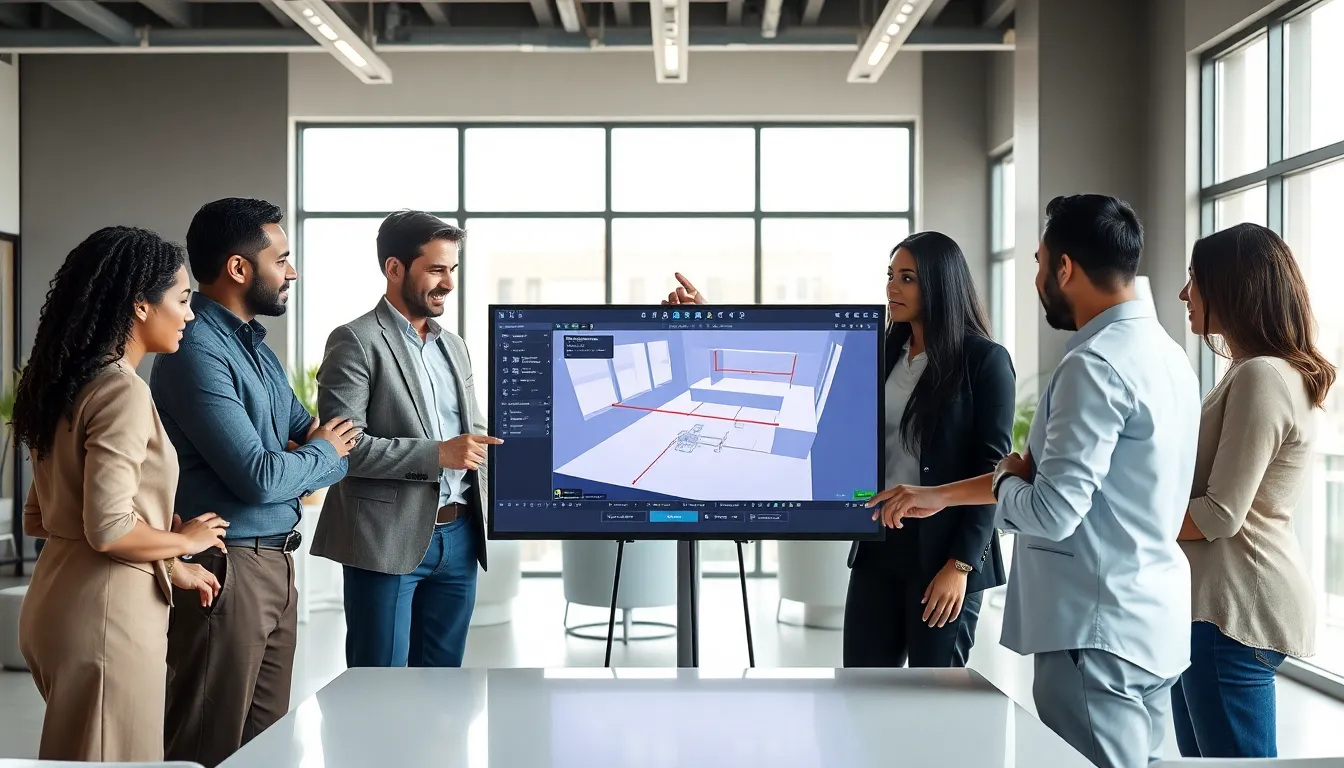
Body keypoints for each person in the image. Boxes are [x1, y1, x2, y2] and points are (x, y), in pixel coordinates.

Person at [872, 194, 1201, 768]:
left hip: (1093, 630)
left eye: (1039, 263)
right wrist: (942, 494)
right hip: (1150, 622)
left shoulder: (1094, 366)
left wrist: (1005, 478)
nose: (1037, 279)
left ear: (1064, 268)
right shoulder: (1167, 354)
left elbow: (1051, 510)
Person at [660, 231, 1014, 669]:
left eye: (907, 278)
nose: (892, 288)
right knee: (861, 683)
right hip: (880, 543)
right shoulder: (883, 350)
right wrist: (710, 320)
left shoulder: (985, 361)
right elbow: (790, 365)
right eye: (890, 276)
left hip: (946, 553)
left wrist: (960, 566)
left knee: (933, 691)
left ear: (941, 284)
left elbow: (993, 473)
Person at [151, 198, 359, 767]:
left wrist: (314, 454)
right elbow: (263, 478)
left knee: (266, 748)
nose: (293, 272)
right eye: (282, 259)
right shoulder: (195, 351)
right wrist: (317, 454)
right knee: (208, 746)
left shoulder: (256, 349)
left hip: (278, 564)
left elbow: (325, 443)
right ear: (239, 268)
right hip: (227, 567)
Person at [13, 226, 228, 762]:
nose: (190, 314)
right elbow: (108, 529)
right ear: (140, 305)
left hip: (57, 600)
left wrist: (168, 563)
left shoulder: (64, 384)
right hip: (108, 618)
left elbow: (41, 517)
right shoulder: (121, 390)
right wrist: (185, 541)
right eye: (182, 299)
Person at [314, 210, 501, 668]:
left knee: (443, 684)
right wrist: (438, 454)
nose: (448, 283)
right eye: (436, 269)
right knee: (378, 684)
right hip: (386, 540)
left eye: (452, 269)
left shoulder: (453, 345)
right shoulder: (355, 341)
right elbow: (344, 449)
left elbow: (474, 434)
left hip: (460, 536)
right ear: (394, 268)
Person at [1171, 223, 1332, 758]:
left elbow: (1219, 514)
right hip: (1222, 606)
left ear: (1231, 287)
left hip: (1233, 611)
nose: (1184, 294)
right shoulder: (1253, 371)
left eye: (1195, 279)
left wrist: (1123, 522)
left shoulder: (1262, 375)